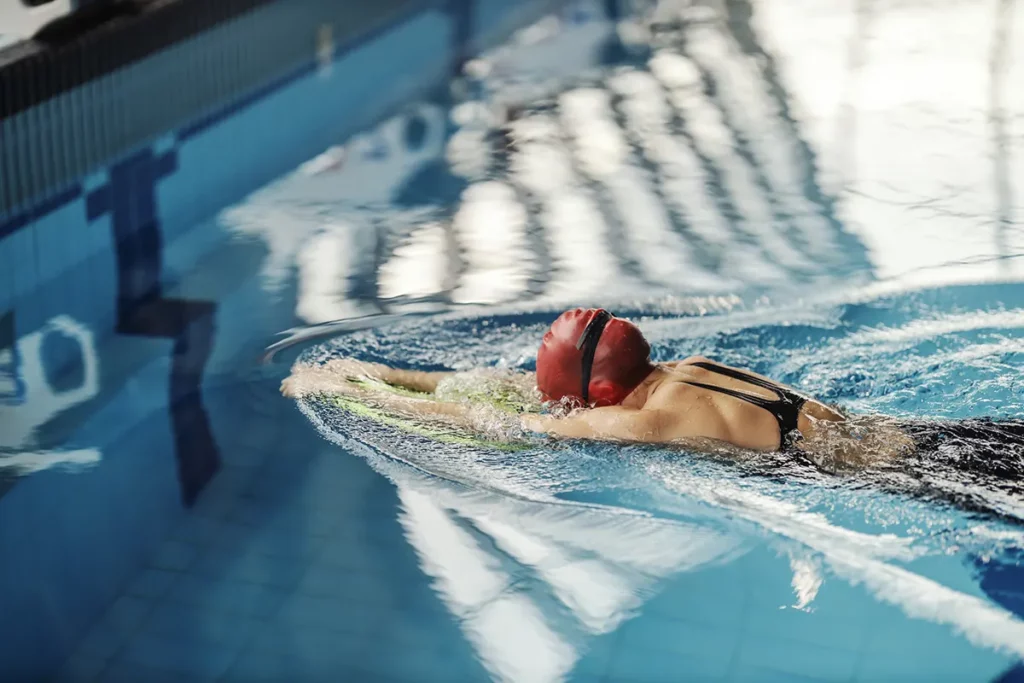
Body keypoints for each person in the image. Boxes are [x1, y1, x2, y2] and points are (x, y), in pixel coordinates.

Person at [281, 308, 1024, 477]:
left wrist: (360, 401)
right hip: (926, 427)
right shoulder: (682, 370)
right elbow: (492, 387)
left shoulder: (646, 423)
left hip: (913, 473)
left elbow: (482, 420)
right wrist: (366, 371)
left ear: (598, 393)